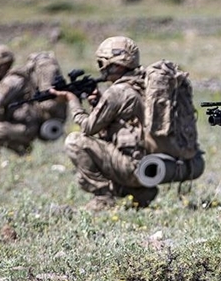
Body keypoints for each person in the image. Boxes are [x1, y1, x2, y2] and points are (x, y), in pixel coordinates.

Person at [51, 36, 157, 211]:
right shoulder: (143, 83)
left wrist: (72, 100)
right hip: (153, 167)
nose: (101, 69)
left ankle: (103, 198)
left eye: (103, 63)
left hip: (133, 167)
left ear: (116, 64)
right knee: (84, 175)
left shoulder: (117, 91)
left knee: (75, 141)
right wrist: (97, 103)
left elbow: (87, 128)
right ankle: (140, 193)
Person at [0, 45, 65, 157]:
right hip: (14, 121)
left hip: (26, 127)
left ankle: (22, 148)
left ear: (4, 63)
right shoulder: (8, 79)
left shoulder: (14, 79)